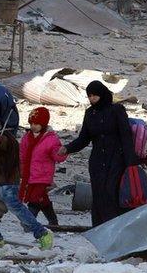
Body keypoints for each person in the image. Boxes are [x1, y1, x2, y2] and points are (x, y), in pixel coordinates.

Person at [0, 101, 54, 250]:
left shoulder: (2, 134)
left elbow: (10, 147)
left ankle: (43, 233)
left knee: (15, 207)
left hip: (6, 179)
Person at [58, 81, 139, 227]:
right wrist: (68, 148)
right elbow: (84, 138)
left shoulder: (117, 110)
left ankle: (114, 227)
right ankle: (99, 227)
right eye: (89, 96)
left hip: (116, 159)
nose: (92, 99)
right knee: (98, 194)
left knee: (112, 193)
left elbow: (126, 136)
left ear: (102, 94)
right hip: (97, 161)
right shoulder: (90, 113)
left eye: (95, 95)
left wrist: (130, 162)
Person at [19, 107, 65, 225]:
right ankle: (53, 220)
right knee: (42, 199)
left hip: (43, 175)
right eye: (32, 123)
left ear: (44, 124)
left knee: (34, 199)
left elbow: (57, 155)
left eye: (37, 124)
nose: (33, 126)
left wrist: (61, 153)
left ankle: (28, 222)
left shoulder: (51, 139)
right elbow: (22, 154)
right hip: (30, 174)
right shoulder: (27, 138)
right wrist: (20, 168)